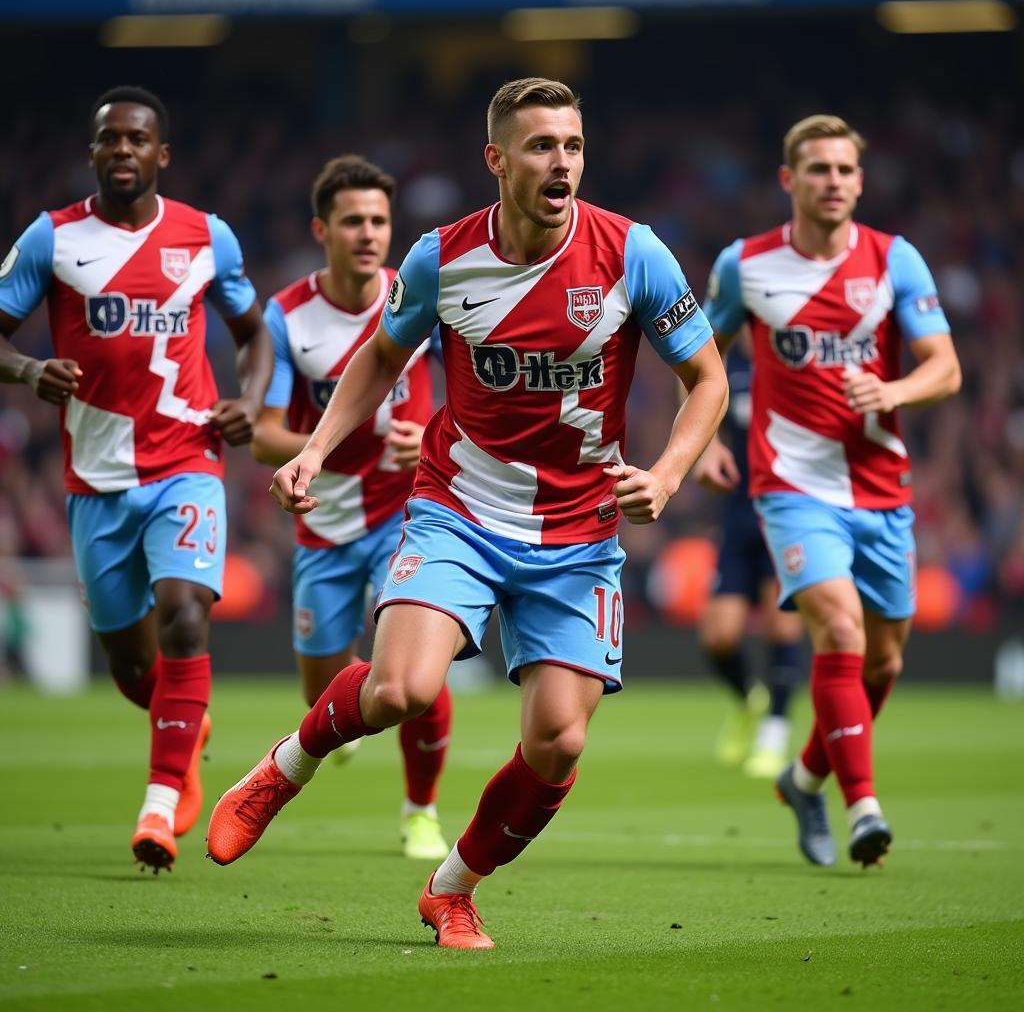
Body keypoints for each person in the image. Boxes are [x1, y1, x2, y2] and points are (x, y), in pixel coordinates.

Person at [207, 76, 727, 948]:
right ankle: (283, 768)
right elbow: (379, 358)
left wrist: (670, 473)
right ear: (497, 160)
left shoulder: (635, 254)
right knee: (401, 688)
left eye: (571, 146)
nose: (560, 163)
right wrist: (314, 449)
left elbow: (707, 379)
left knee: (559, 743)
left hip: (581, 531)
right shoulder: (440, 259)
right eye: (539, 146)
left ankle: (452, 888)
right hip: (462, 507)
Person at [0, 86, 273, 873]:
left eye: (136, 139)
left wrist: (247, 404)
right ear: (92, 153)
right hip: (95, 483)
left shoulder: (206, 237)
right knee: (130, 665)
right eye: (108, 140)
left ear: (163, 154)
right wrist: (26, 370)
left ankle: (160, 801)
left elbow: (253, 336)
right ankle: (183, 725)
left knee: (185, 616)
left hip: (187, 462)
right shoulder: (51, 240)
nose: (122, 150)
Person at [700, 114, 961, 867]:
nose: (834, 183)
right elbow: (699, 358)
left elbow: (944, 367)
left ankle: (806, 775)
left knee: (882, 664)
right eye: (818, 170)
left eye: (845, 171)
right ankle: (864, 808)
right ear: (790, 180)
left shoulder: (893, 261)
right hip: (790, 486)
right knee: (839, 633)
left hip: (882, 492)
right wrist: (708, 440)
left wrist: (894, 391)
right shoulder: (745, 266)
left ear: (860, 180)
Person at [251, 154, 450, 860]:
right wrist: (327, 442)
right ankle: (345, 711)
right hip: (325, 525)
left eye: (379, 220)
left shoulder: (415, 292)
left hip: (409, 515)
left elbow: (463, 395)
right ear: (321, 230)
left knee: (426, 675)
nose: (369, 233)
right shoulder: (286, 316)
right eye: (353, 221)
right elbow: (262, 434)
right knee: (324, 690)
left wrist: (425, 437)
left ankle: (421, 810)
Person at [693, 335, 804, 780]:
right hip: (739, 516)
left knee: (782, 623)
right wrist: (710, 443)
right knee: (718, 636)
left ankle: (775, 730)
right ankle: (748, 699)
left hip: (788, 513)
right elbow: (691, 383)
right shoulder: (726, 363)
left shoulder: (795, 358)